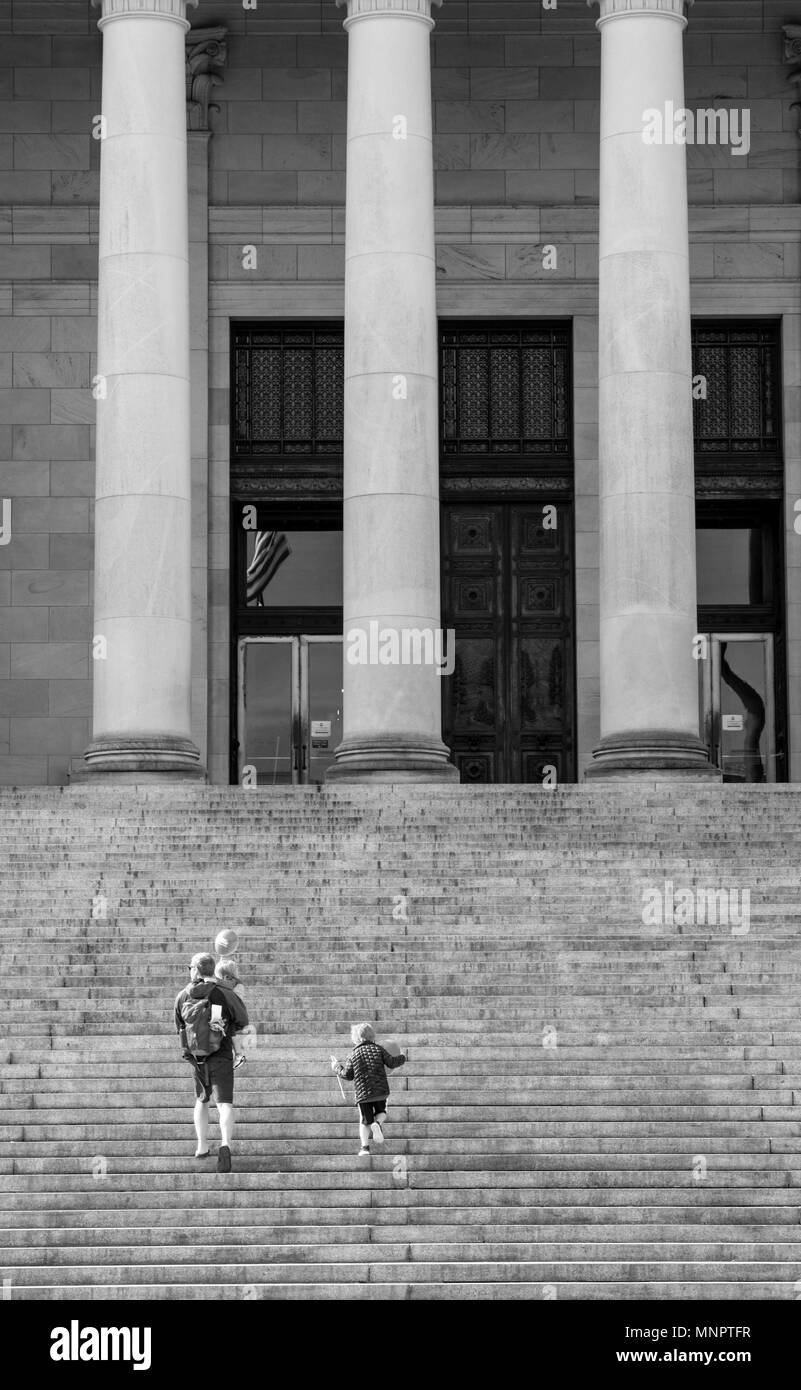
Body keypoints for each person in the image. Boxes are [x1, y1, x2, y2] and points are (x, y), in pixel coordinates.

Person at [174, 952, 249, 1172]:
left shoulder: (183, 995)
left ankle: (202, 1146)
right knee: (224, 1103)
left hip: (196, 1056)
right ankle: (225, 1144)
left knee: (202, 1100)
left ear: (196, 970)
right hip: (221, 1052)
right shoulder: (224, 992)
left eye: (190, 967)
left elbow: (178, 1023)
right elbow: (243, 1019)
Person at [330, 1022, 406, 1157]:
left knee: (364, 1121)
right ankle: (377, 1123)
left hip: (363, 1094)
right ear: (372, 1036)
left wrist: (336, 1067)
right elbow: (392, 1062)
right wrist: (403, 1056)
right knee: (382, 1112)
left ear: (357, 1038)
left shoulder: (352, 1054)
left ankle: (365, 1148)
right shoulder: (379, 1049)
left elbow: (348, 1075)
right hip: (381, 1092)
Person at [214, 956, 257, 1070]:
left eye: (218, 975)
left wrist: (215, 981)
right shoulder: (231, 983)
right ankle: (237, 1054)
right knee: (230, 1032)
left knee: (231, 1032)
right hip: (231, 1010)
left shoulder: (234, 983)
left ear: (226, 975)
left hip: (234, 1012)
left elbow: (230, 994)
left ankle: (239, 1054)